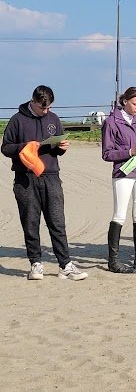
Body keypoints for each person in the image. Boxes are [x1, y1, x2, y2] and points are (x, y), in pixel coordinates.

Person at [1, 85, 88, 281]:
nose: (46, 111)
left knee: (57, 222)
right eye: (42, 108)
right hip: (25, 179)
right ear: (33, 102)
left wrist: (61, 147)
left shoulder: (54, 119)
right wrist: (26, 146)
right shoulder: (17, 120)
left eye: (48, 107)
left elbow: (56, 149)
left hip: (51, 176)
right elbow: (5, 148)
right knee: (30, 222)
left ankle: (65, 265)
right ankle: (35, 264)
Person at [102, 86, 136, 273]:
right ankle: (113, 260)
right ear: (125, 101)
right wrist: (130, 152)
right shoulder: (111, 122)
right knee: (120, 214)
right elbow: (107, 154)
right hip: (123, 173)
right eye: (135, 104)